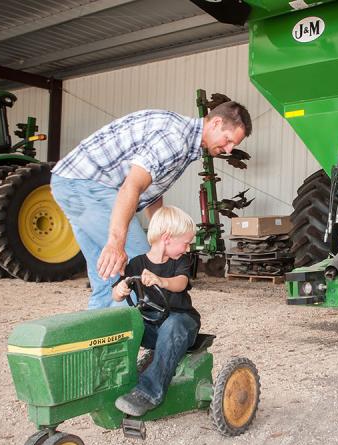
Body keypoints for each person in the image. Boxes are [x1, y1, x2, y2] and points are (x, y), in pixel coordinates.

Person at [50, 102, 252, 309]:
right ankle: (129, 334)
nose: (228, 149)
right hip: (88, 184)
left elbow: (151, 189)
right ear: (216, 123)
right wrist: (116, 244)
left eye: (233, 145)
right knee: (140, 268)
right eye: (228, 140)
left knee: (107, 276)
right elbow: (132, 186)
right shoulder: (175, 140)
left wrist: (162, 231)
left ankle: (98, 337)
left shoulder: (185, 141)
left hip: (71, 182)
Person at [111, 205, 201, 416]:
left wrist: (161, 281)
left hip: (182, 322)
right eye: (186, 243)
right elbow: (116, 293)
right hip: (152, 325)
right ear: (167, 238)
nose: (187, 249)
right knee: (122, 324)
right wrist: (121, 289)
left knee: (173, 324)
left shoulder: (181, 261)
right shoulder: (137, 263)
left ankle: (149, 393)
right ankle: (117, 382)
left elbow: (181, 283)